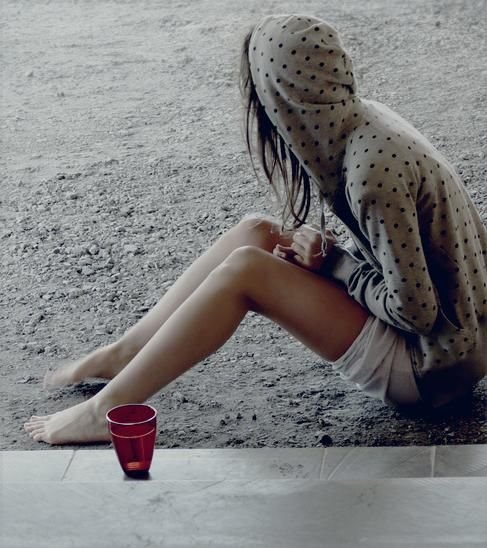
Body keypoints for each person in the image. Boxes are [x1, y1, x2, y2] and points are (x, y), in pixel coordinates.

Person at [25, 14, 487, 444]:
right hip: (460, 336)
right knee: (258, 231)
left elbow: (416, 311)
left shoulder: (371, 175)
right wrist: (332, 258)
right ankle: (126, 352)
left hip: (434, 366)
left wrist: (336, 264)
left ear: (285, 100)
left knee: (246, 271)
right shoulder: (366, 120)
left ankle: (107, 410)